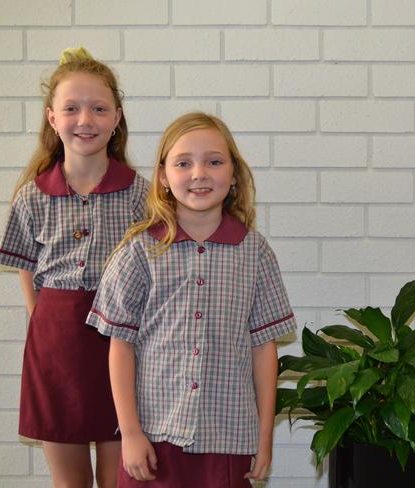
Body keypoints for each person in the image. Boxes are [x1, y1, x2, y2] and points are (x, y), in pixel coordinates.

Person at [87, 112, 297, 487]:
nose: (199, 173)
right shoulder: (139, 251)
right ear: (164, 177)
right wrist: (131, 434)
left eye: (214, 161)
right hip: (153, 439)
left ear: (233, 175)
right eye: (184, 163)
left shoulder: (255, 253)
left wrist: (263, 440)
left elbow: (263, 350)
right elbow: (120, 346)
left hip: (227, 438)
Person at [0, 47, 149, 487]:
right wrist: (42, 322)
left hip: (120, 342)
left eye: (99, 109)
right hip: (56, 345)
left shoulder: (140, 194)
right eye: (72, 108)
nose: (86, 120)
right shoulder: (32, 195)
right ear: (51, 118)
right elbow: (26, 266)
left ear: (117, 117)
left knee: (123, 480)